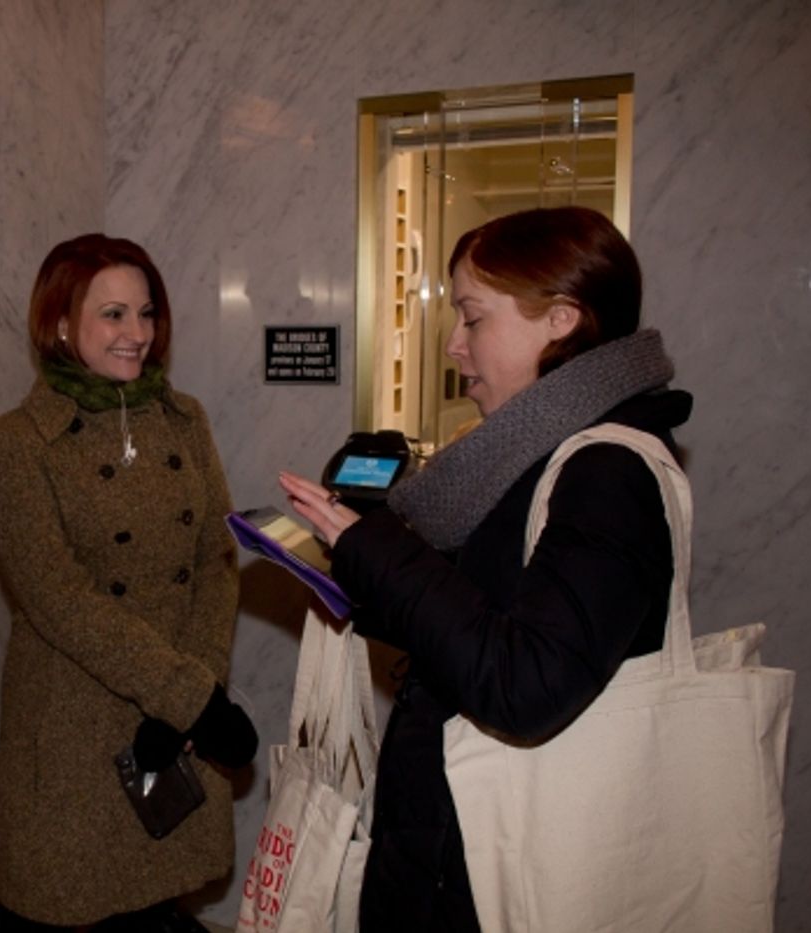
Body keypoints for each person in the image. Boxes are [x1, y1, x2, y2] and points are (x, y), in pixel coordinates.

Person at [279, 206, 691, 932]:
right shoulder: (522, 457)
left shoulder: (605, 471)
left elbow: (522, 680)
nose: (453, 345)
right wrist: (350, 571)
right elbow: (484, 606)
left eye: (473, 319)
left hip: (507, 868)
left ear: (562, 320)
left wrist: (377, 549)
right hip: (456, 848)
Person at [0, 234, 257, 932]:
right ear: (62, 322)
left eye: (147, 312)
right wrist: (191, 697)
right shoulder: (16, 443)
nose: (137, 334)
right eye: (113, 314)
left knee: (158, 906)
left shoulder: (183, 419)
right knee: (70, 907)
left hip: (172, 729)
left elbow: (216, 562)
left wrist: (194, 690)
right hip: (74, 732)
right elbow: (58, 598)